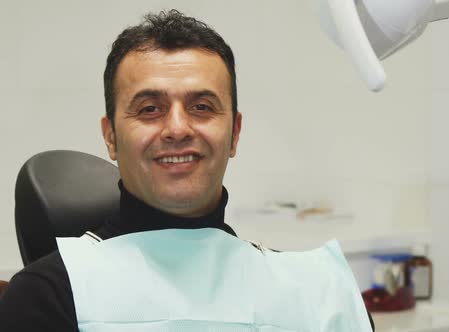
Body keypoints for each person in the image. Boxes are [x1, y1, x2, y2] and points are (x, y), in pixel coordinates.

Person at [0, 10, 374, 331]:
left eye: (202, 107)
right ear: (111, 137)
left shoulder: (321, 293)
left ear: (234, 134)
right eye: (149, 108)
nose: (177, 129)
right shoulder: (47, 296)